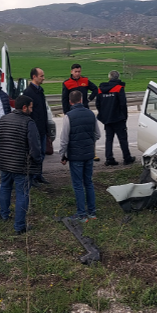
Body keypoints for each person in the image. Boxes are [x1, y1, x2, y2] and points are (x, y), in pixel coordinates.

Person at [0, 95, 43, 234]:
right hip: (22, 165)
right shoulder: (29, 122)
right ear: (24, 107)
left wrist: (2, 156)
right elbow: (34, 147)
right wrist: (37, 160)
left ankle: (4, 214)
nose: (32, 110)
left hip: (5, 163)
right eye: (31, 107)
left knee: (5, 188)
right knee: (22, 194)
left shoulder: (3, 119)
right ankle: (19, 226)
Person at [60, 91, 101, 222]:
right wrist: (89, 142)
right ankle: (92, 212)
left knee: (78, 185)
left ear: (70, 102)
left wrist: (63, 154)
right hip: (89, 154)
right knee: (88, 182)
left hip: (75, 156)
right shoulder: (91, 114)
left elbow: (64, 139)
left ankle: (81, 214)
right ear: (82, 100)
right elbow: (98, 134)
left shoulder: (68, 116)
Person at [96, 70, 135, 166]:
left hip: (107, 119)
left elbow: (98, 104)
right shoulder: (119, 88)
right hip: (118, 118)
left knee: (109, 139)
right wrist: (124, 117)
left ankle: (109, 159)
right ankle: (127, 158)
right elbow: (123, 104)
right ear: (117, 78)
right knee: (123, 139)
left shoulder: (101, 89)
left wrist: (103, 115)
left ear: (109, 77)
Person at [22, 67, 50, 184]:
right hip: (34, 129)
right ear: (34, 77)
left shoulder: (40, 91)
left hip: (42, 128)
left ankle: (39, 175)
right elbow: (28, 113)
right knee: (33, 154)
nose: (43, 78)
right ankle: (31, 177)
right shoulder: (28, 93)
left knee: (41, 152)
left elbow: (43, 111)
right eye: (41, 76)